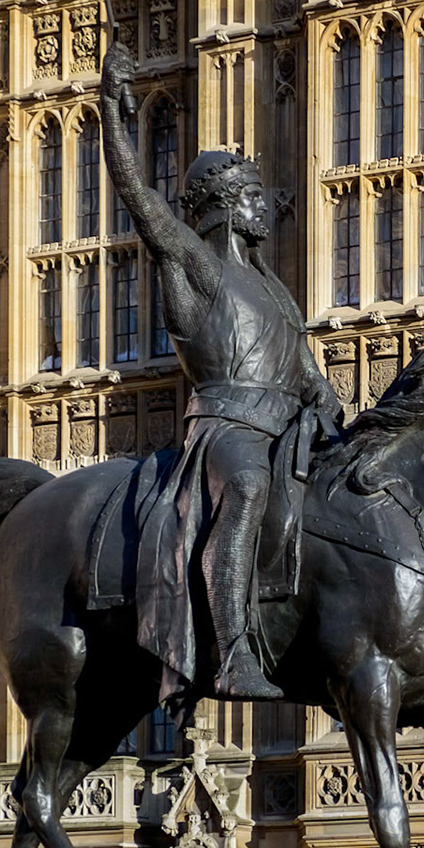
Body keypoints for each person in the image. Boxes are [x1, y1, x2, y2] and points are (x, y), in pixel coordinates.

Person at [98, 44, 341, 702]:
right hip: (227, 430)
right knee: (248, 484)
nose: (266, 206)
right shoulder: (198, 266)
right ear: (222, 204)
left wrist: (329, 405)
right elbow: (140, 200)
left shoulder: (275, 289)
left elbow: (305, 372)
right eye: (252, 195)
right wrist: (112, 116)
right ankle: (231, 652)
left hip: (288, 427)